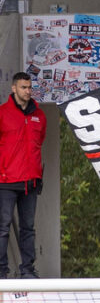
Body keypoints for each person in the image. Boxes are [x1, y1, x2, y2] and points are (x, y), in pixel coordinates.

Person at [0, 72, 45, 279]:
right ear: (13, 88)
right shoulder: (2, 113)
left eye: (29, 87)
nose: (28, 91)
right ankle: (2, 270)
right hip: (6, 181)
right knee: (3, 226)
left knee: (28, 228)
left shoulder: (39, 116)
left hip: (30, 181)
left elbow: (39, 142)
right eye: (23, 87)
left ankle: (27, 270)